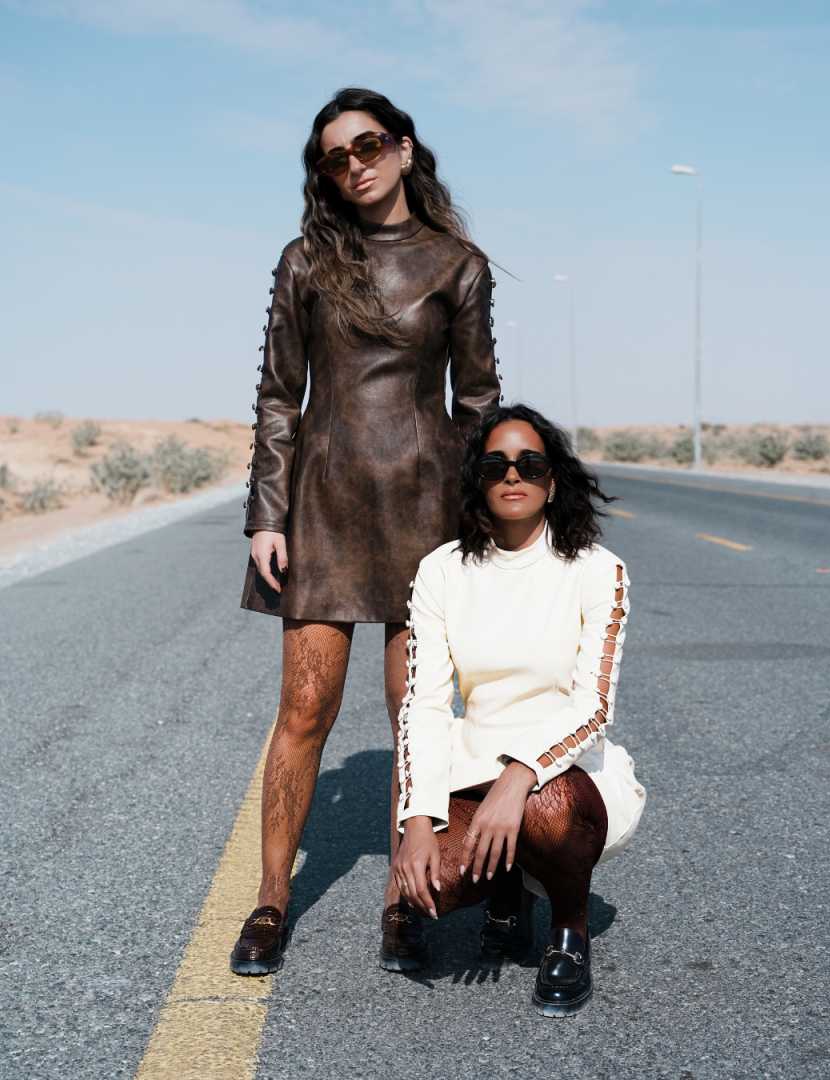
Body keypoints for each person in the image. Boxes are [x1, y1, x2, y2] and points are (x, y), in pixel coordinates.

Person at [230, 87, 502, 976]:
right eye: (335, 158)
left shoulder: (459, 264)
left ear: (406, 149)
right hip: (322, 507)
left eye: (369, 145)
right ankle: (271, 904)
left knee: (412, 718)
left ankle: (403, 901)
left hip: (426, 514)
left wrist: (486, 519)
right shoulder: (307, 260)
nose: (354, 164)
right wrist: (266, 512)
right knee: (304, 712)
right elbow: (280, 395)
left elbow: (477, 404)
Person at [391, 404, 646, 1016]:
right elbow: (423, 706)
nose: (513, 475)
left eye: (529, 464)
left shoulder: (597, 570)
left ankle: (568, 929)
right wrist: (417, 822)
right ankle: (506, 895)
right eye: (496, 464)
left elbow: (594, 706)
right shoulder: (442, 570)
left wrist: (519, 772)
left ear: (552, 481)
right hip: (473, 767)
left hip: (568, 773)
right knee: (433, 886)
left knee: (547, 812)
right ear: (476, 479)